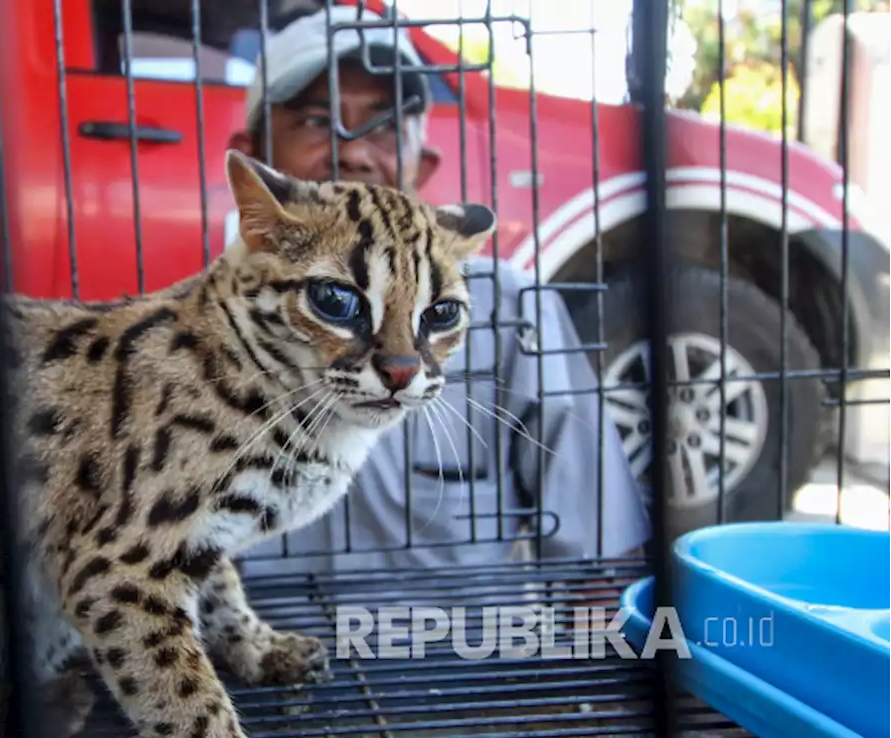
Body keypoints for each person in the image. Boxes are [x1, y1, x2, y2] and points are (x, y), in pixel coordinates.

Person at [226, 6, 651, 586]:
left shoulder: (508, 307)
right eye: (316, 121)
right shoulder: (197, 329)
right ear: (253, 159)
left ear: (421, 167)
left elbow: (604, 562)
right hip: (264, 665)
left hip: (460, 655)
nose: (352, 152)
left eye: (382, 126)